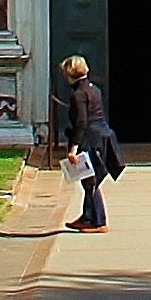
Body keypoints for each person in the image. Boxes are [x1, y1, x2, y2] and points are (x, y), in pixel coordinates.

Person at [59, 56, 113, 232]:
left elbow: (81, 122)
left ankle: (99, 221)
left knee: (91, 181)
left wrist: (73, 148)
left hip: (90, 140)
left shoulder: (78, 95)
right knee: (88, 180)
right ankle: (87, 216)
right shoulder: (94, 89)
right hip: (102, 137)